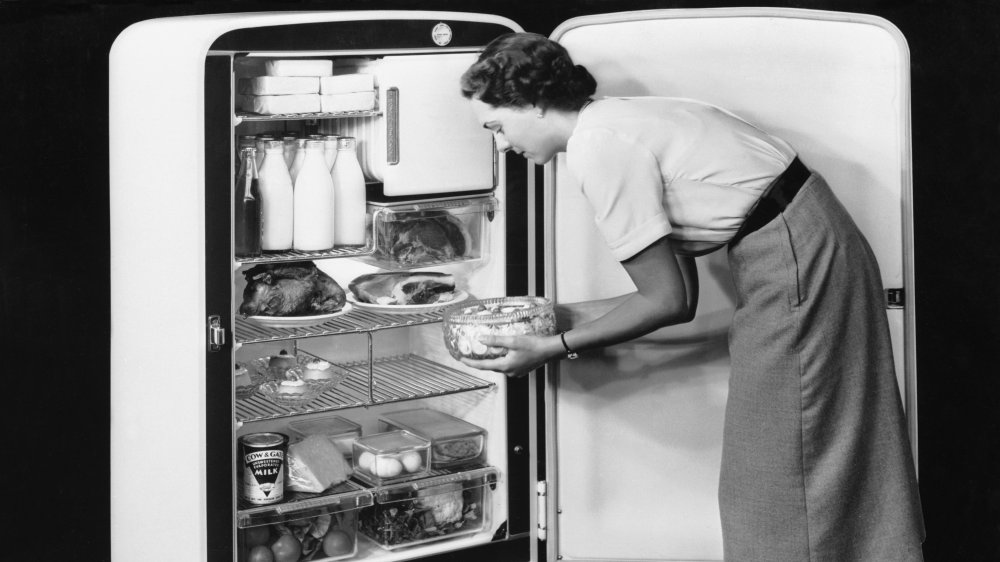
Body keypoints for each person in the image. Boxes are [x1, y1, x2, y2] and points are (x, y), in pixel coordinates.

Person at [459, 32, 925, 561]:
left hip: (794, 258)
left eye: (496, 126)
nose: (500, 144)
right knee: (812, 445)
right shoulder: (616, 120)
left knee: (778, 468)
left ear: (533, 103)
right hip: (808, 242)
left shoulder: (598, 147)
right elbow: (676, 297)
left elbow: (663, 302)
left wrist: (552, 346)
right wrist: (546, 319)